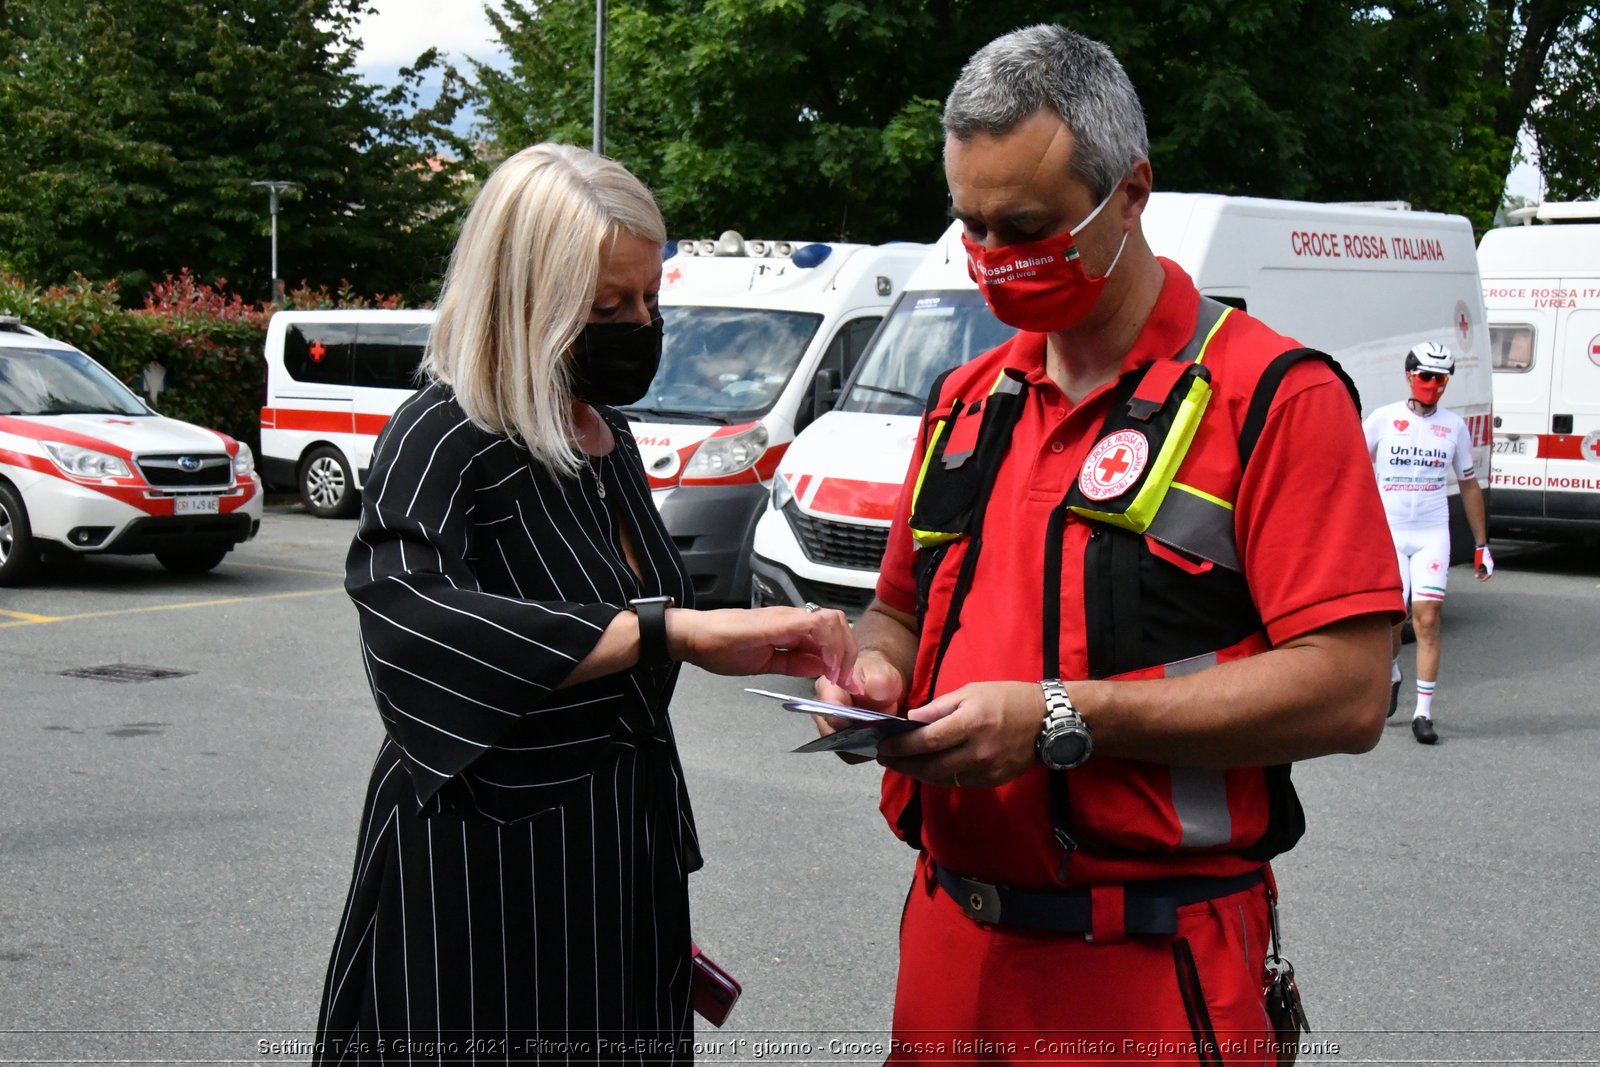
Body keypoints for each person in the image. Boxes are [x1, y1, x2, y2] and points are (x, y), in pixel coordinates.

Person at [813, 24, 1403, 1058]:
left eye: (1027, 226)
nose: (995, 259)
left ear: (1131, 192)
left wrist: (1058, 716)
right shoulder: (964, 401)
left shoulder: (1272, 396)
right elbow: (900, 611)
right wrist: (864, 673)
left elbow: (1349, 690)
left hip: (1150, 966)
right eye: (973, 228)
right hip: (952, 949)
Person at [312, 143, 857, 1064]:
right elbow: (409, 624)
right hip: (485, 866)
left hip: (616, 852)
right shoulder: (444, 432)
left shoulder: (611, 440)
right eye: (610, 306)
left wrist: (744, 646)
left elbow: (642, 625)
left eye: (650, 300)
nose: (641, 325)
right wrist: (664, 629)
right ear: (527, 294)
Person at [1363, 341, 1492, 744]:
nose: (1434, 386)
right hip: (1391, 532)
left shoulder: (1453, 427)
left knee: (1428, 619)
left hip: (1431, 531)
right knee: (1393, 620)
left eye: (1442, 379)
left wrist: (1481, 544)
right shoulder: (1383, 420)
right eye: (1426, 377)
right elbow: (1350, 468)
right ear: (1409, 376)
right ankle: (1393, 671)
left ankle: (1423, 713)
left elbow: (1469, 486)